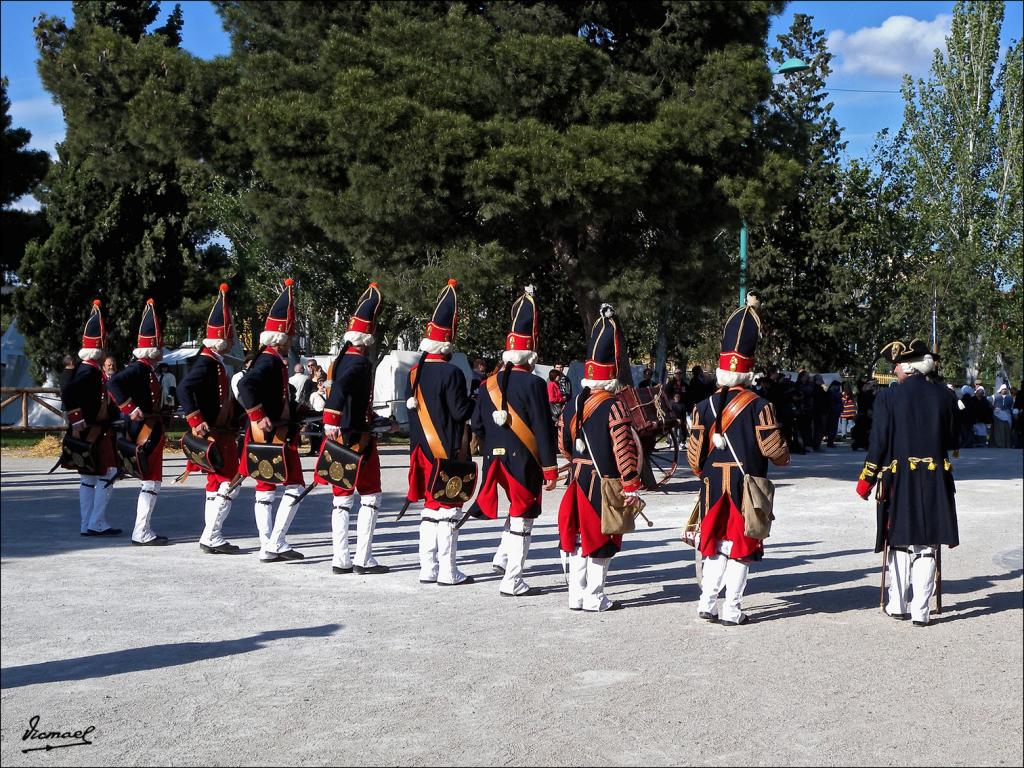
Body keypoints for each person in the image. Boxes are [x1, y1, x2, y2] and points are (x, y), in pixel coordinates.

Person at [686, 294, 790, 626]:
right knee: (741, 548)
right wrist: (783, 456)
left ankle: (706, 601)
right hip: (746, 487)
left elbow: (693, 457)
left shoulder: (703, 407)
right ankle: (731, 608)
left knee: (714, 545)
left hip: (713, 486)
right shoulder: (760, 405)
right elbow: (776, 451)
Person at [856, 338, 958, 627]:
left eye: (897, 365)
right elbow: (955, 440)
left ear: (907, 366)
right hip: (936, 476)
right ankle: (921, 611)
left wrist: (867, 478)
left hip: (899, 477)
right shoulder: (944, 395)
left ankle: (898, 603)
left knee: (899, 540)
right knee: (926, 545)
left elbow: (878, 442)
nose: (895, 369)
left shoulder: (889, 397)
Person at [468, 287, 558, 597]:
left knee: (515, 511)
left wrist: (495, 440)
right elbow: (544, 429)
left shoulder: (487, 383)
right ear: (530, 354)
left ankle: (501, 557)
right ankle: (513, 579)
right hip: (524, 460)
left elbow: (477, 425)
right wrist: (550, 468)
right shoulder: (535, 383)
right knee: (524, 514)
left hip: (494, 457)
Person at [557, 303, 641, 612]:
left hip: (577, 479)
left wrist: (575, 460)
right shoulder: (614, 406)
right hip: (602, 481)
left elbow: (563, 445)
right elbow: (623, 448)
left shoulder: (571, 405)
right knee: (602, 539)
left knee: (579, 537)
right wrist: (630, 483)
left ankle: (575, 595)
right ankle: (594, 596)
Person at [405, 279, 477, 586]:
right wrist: (476, 400)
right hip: (445, 448)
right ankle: (448, 571)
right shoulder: (452, 372)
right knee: (448, 508)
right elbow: (461, 412)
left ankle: (427, 567)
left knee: (430, 508)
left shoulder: (414, 372)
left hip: (421, 449)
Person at [319, 282, 388, 575]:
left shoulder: (343, 358)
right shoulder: (358, 363)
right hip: (356, 438)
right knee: (371, 496)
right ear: (368, 335)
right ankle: (363, 558)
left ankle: (340, 558)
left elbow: (351, 398)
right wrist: (331, 417)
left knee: (342, 499)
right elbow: (342, 390)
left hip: (347, 432)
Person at [236, 278, 306, 563]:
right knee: (295, 487)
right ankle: (275, 542)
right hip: (274, 434)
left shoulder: (273, 360)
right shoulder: (268, 361)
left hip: (272, 432)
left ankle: (268, 544)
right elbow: (245, 387)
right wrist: (259, 415)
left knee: (265, 489)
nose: (292, 339)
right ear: (281, 338)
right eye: (290, 335)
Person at [177, 283, 243, 555]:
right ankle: (211, 535)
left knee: (215, 483)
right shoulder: (206, 362)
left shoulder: (213, 361)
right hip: (214, 431)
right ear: (222, 339)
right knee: (230, 481)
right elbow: (184, 389)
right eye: (229, 336)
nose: (232, 341)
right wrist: (195, 419)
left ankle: (210, 534)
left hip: (221, 430)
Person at [108, 299, 169, 546]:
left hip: (150, 427)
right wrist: (130, 408)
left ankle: (143, 530)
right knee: (151, 480)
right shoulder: (139, 369)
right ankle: (141, 531)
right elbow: (113, 383)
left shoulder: (147, 370)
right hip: (144, 430)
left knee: (151, 481)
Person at [61, 300, 121, 537]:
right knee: (108, 472)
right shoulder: (87, 371)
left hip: (91, 427)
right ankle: (96, 522)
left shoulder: (90, 369)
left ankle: (88, 523)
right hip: (91, 429)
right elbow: (68, 392)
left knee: (88, 476)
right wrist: (76, 421)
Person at [991, 384, 1013, 448]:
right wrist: (994, 408)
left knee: (1007, 431)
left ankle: (1007, 444)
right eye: (1003, 389)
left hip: (1007, 416)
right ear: (1000, 390)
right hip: (997, 415)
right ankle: (999, 444)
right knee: (998, 431)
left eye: (1006, 389)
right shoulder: (994, 396)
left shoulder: (1009, 397)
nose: (1005, 390)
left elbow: (1011, 406)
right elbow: (989, 402)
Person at [825, 379, 842, 448]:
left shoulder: (835, 393)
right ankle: (830, 442)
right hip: (833, 411)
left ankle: (831, 441)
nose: (838, 388)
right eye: (837, 386)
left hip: (836, 411)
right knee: (832, 427)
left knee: (834, 427)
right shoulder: (831, 393)